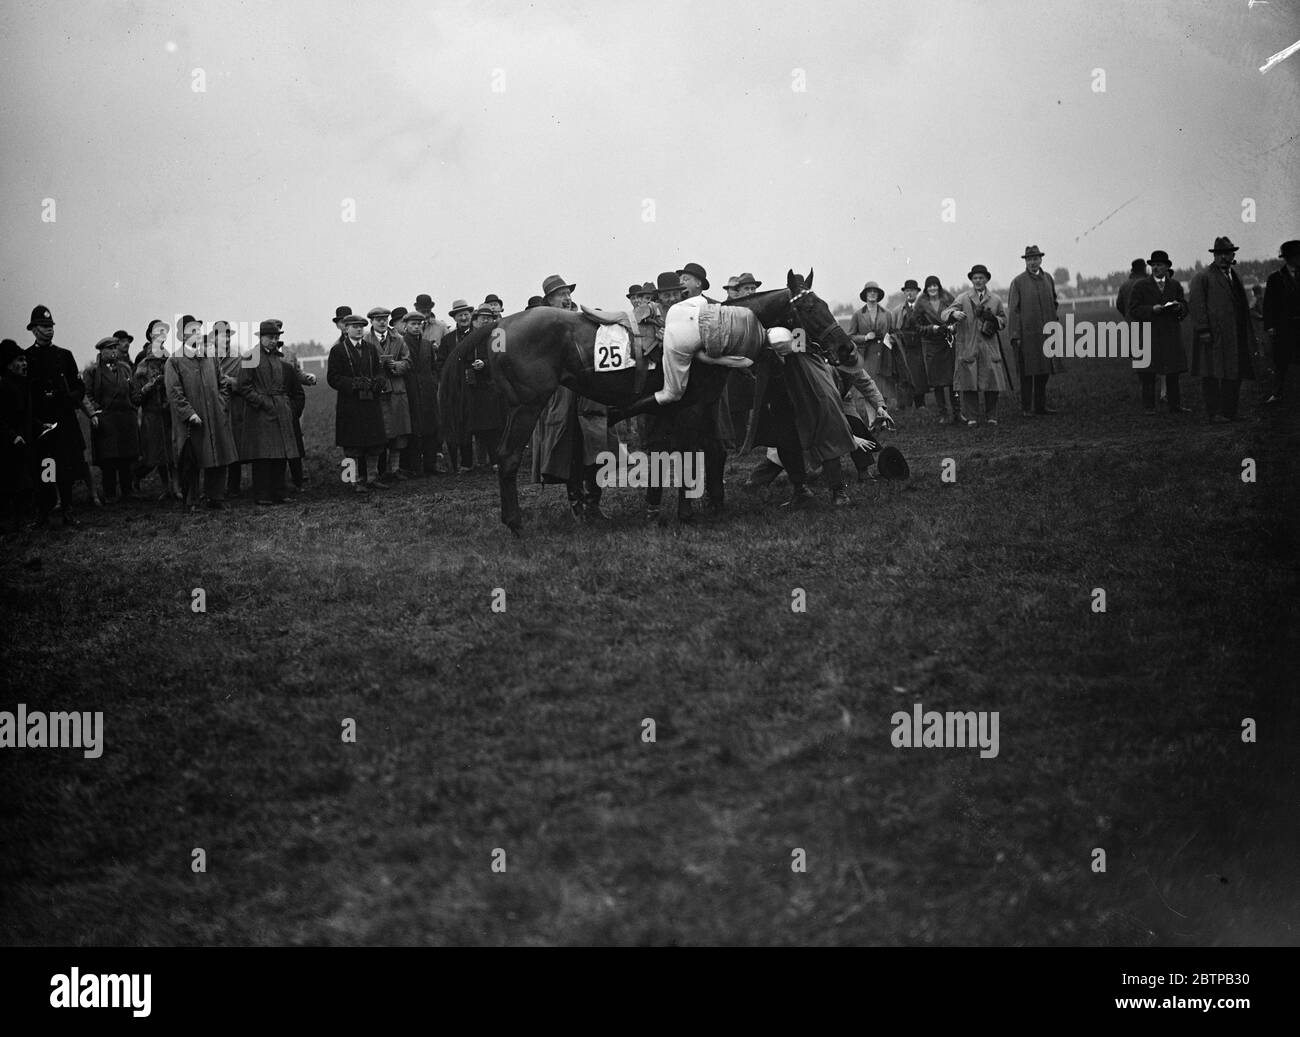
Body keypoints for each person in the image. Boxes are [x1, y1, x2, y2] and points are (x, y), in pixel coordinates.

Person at [530, 273, 613, 520]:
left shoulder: (583, 318)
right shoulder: (542, 324)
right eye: (561, 295)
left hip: (589, 393)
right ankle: (576, 504)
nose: (566, 298)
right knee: (569, 451)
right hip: (562, 395)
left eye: (568, 294)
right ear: (549, 300)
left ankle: (594, 504)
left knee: (595, 448)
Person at [164, 314, 238, 510]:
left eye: (199, 330)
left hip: (215, 416)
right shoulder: (174, 361)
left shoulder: (210, 358)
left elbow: (222, 384)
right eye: (193, 331)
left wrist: (221, 405)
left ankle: (216, 497)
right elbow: (174, 392)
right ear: (182, 336)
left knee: (218, 455)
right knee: (191, 460)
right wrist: (189, 414)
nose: (198, 334)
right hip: (191, 422)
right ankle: (192, 501)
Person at [24, 305, 86, 527]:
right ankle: (44, 512)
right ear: (33, 330)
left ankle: (68, 510)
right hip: (41, 424)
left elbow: (79, 385)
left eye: (51, 326)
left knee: (66, 468)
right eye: (44, 326)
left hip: (64, 420)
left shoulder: (64, 355)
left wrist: (71, 397)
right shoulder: (27, 357)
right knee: (46, 468)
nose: (49, 330)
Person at [233, 321, 300, 505]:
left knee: (280, 453)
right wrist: (263, 402)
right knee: (263, 455)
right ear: (260, 338)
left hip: (280, 410)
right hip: (260, 413)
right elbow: (243, 387)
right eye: (270, 337)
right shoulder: (250, 357)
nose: (274, 341)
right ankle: (262, 494)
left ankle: (279, 492)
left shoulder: (279, 358)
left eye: (277, 337)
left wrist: (285, 406)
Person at [1188, 236, 1254, 423]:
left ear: (1233, 255)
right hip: (1212, 336)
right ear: (1214, 256)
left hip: (1235, 335)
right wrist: (1203, 330)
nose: (1223, 257)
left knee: (1234, 373)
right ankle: (1214, 413)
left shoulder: (1235, 276)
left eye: (1227, 253)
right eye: (1219, 254)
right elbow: (1196, 305)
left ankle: (1230, 412)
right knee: (1211, 374)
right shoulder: (1203, 277)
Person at [327, 313, 388, 493]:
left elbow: (379, 371)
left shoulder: (370, 348)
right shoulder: (338, 351)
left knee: (374, 443)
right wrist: (352, 384)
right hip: (350, 404)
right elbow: (333, 378)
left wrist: (378, 382)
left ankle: (372, 477)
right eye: (355, 326)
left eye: (361, 326)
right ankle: (352, 480)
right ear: (346, 329)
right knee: (352, 445)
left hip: (370, 402)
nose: (359, 329)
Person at [943, 265, 1010, 426]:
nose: (978, 281)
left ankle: (991, 416)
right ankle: (972, 417)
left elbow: (1003, 321)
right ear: (971, 280)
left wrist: (994, 319)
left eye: (981, 278)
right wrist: (953, 314)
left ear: (986, 279)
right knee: (969, 383)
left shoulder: (995, 299)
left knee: (992, 383)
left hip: (989, 346)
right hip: (969, 346)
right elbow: (944, 314)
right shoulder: (963, 298)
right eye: (975, 278)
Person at [1128, 250, 1190, 414]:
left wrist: (1179, 308)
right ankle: (1149, 407)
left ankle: (1175, 405)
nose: (1156, 268)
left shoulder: (1175, 285)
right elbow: (1133, 309)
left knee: (1173, 371)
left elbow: (1185, 306)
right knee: (1149, 372)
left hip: (1170, 333)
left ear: (1167, 266)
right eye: (1153, 265)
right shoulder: (1140, 286)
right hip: (1150, 334)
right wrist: (1151, 310)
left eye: (1159, 265)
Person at [83, 335, 142, 503]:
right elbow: (86, 394)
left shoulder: (125, 368)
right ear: (102, 351)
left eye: (116, 348)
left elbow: (133, 391)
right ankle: (109, 493)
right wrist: (96, 411)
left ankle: (127, 491)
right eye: (110, 348)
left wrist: (133, 405)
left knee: (126, 458)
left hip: (125, 419)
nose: (115, 351)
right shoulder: (93, 371)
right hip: (106, 419)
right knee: (108, 459)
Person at [1007, 245, 1062, 416]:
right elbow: (1013, 310)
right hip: (1027, 336)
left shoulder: (1048, 279)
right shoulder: (1018, 282)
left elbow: (1054, 302)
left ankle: (1040, 406)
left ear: (1041, 259)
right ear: (1026, 261)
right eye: (1029, 259)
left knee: (1044, 371)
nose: (1033, 262)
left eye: (1035, 259)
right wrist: (1015, 335)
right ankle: (1026, 408)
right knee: (1027, 373)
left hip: (1046, 334)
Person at [132, 320, 177, 498]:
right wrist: (150, 385)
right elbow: (136, 395)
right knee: (153, 456)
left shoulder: (169, 358)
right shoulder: (142, 360)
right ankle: (136, 476)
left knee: (171, 454)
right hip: (151, 414)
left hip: (168, 412)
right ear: (150, 335)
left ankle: (174, 488)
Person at [367, 306, 412, 483]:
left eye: (385, 318)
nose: (382, 322)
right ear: (371, 321)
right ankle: (375, 472)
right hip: (377, 392)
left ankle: (394, 469)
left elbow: (408, 361)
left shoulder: (398, 339)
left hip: (396, 390)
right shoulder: (365, 340)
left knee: (399, 431)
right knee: (379, 433)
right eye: (378, 319)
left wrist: (396, 366)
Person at [461, 305, 507, 469]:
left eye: (490, 318)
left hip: (491, 386)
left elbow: (501, 359)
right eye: (483, 318)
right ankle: (477, 461)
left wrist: (485, 364)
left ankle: (496, 460)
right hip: (471, 387)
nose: (486, 321)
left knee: (494, 426)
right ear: (474, 321)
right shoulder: (468, 337)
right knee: (473, 425)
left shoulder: (497, 335)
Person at [399, 310, 443, 475]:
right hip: (410, 393)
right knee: (414, 430)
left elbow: (433, 367)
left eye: (419, 324)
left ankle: (431, 465)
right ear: (406, 326)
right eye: (413, 324)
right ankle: (415, 467)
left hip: (428, 394)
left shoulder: (427, 345)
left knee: (431, 428)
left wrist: (433, 383)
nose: (417, 327)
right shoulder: (401, 343)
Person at [848, 282, 905, 409]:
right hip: (866, 356)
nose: (873, 293)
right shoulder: (858, 315)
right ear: (865, 295)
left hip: (884, 356)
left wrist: (893, 338)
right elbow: (850, 336)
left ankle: (882, 419)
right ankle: (872, 421)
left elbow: (894, 332)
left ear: (878, 295)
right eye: (870, 291)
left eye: (875, 291)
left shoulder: (887, 314)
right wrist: (865, 337)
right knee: (869, 389)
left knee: (883, 389)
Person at [914, 275, 962, 424]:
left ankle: (957, 412)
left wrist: (952, 327)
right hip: (932, 345)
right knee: (938, 382)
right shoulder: (920, 303)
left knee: (953, 380)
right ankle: (943, 414)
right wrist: (931, 328)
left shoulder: (948, 298)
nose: (933, 288)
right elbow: (917, 326)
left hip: (948, 343)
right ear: (926, 288)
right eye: (930, 286)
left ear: (939, 287)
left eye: (935, 285)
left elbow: (958, 318)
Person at [0, 339, 34, 532]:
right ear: (8, 364)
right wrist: (12, 436)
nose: (24, 364)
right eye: (20, 360)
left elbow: (26, 414)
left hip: (23, 443)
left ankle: (20, 522)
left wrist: (39, 425)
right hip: (8, 446)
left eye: (24, 360)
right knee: (10, 486)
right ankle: (10, 526)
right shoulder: (4, 386)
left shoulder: (22, 384)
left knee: (24, 485)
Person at [439, 299, 476, 472]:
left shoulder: (480, 334)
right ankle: (466, 463)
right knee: (461, 424)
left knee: (486, 424)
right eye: (460, 315)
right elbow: (440, 364)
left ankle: (493, 461)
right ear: (455, 318)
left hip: (478, 386)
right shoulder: (447, 340)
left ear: (471, 315)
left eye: (466, 314)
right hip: (456, 388)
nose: (463, 318)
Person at [1262, 240, 1300, 404]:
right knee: (1281, 361)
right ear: (1289, 258)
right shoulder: (1275, 278)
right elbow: (1268, 304)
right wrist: (1270, 326)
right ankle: (1277, 393)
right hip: (1284, 327)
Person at [892, 279, 927, 409]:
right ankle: (904, 404)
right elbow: (893, 328)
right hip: (903, 347)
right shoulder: (897, 311)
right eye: (907, 291)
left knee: (919, 374)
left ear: (917, 292)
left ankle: (920, 403)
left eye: (912, 291)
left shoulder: (923, 308)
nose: (909, 293)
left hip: (919, 346)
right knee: (903, 374)